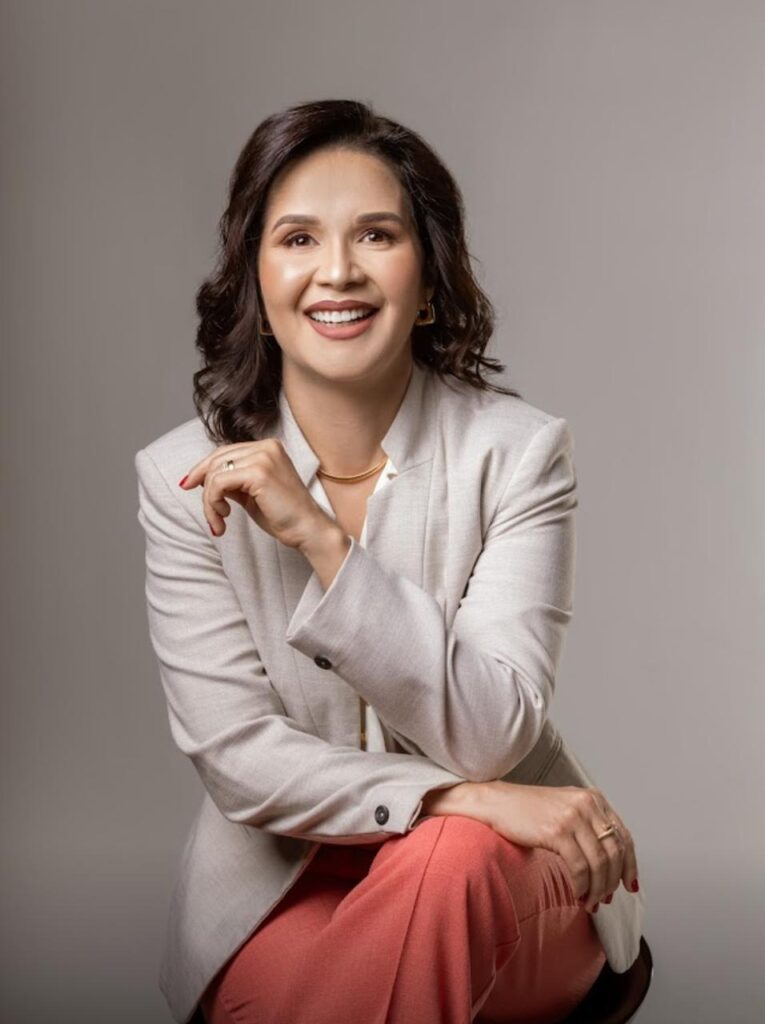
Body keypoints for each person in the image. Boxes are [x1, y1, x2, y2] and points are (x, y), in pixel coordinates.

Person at [135, 98, 645, 1024]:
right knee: (426, 877)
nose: (337, 270)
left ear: (430, 276)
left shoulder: (518, 454)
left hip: (511, 870)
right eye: (298, 238)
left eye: (376, 234)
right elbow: (240, 759)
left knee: (450, 864)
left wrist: (321, 541)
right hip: (284, 888)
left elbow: (493, 735)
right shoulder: (179, 476)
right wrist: (458, 799)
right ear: (255, 279)